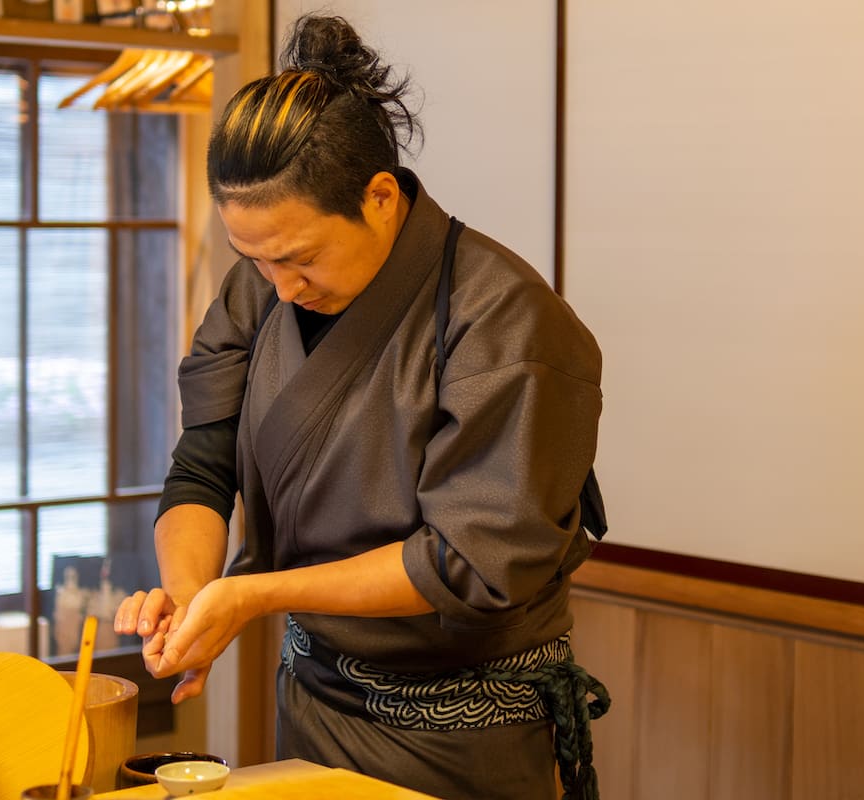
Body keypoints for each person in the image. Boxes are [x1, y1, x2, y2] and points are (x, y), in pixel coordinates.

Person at [114, 13, 609, 800]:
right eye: (255, 258)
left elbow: (466, 563)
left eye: (300, 257)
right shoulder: (260, 286)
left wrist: (254, 594)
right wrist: (187, 595)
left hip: (463, 731)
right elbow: (203, 466)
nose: (280, 286)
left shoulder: (503, 318)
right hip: (314, 704)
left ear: (380, 197)